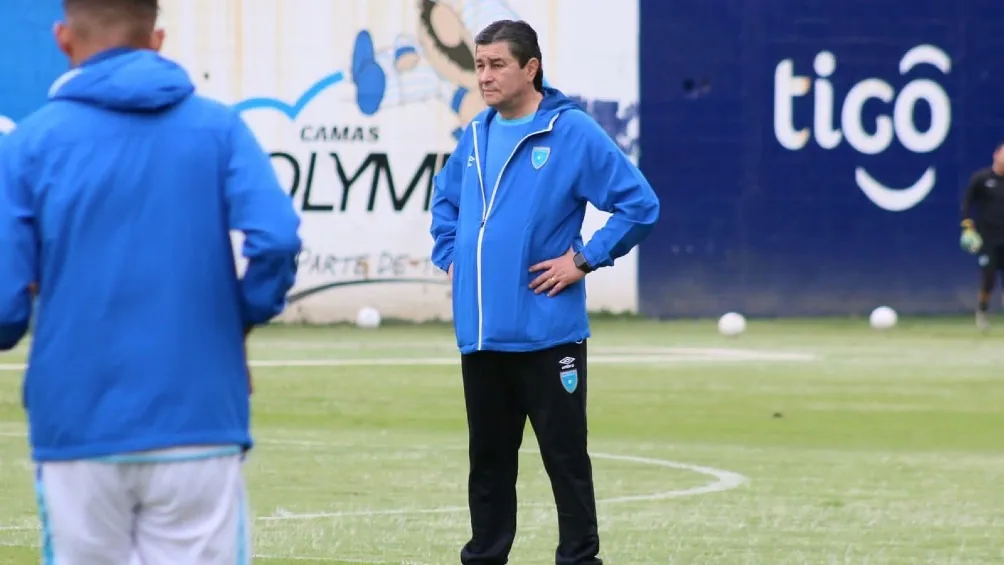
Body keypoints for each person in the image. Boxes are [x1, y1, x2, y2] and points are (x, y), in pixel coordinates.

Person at [0, 0, 301, 563]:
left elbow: (3, 302)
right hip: (200, 412)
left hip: (75, 419)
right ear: (157, 39)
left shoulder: (27, 145)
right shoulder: (219, 128)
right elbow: (277, 239)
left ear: (63, 38)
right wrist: (242, 315)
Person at [428, 19, 660, 565]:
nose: (484, 76)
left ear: (531, 68)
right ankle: (484, 558)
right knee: (487, 464)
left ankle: (579, 559)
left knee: (564, 460)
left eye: (496, 65)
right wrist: (451, 258)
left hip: (548, 337)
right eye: (479, 65)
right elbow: (445, 206)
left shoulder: (571, 132)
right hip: (482, 338)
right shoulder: (475, 136)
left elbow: (639, 205)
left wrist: (584, 259)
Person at [960, 142, 1004, 332]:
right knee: (989, 279)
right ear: (996, 155)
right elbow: (968, 203)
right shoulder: (982, 178)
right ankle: (982, 312)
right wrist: (967, 227)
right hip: (987, 238)